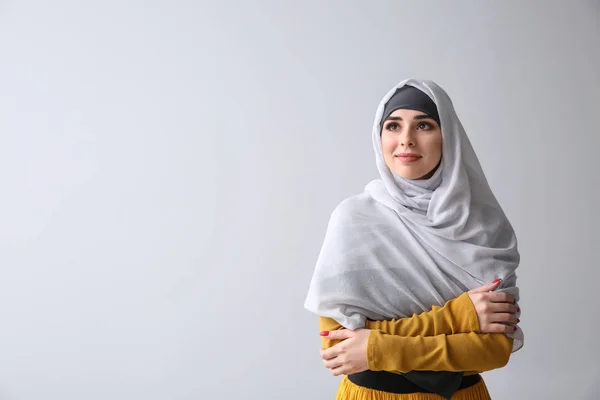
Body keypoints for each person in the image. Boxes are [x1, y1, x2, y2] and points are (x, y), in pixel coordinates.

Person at [304, 79, 524, 400]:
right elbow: (338, 347)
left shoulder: (484, 227)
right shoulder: (353, 220)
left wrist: (375, 346)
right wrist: (459, 317)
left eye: (423, 125)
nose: (406, 140)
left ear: (448, 137)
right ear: (380, 138)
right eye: (393, 126)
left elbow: (493, 349)